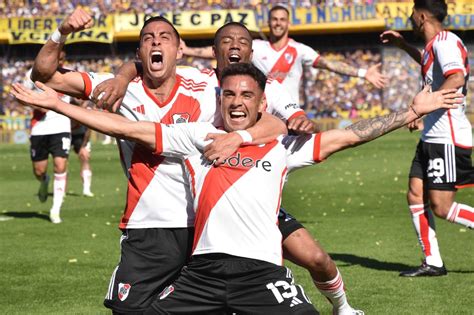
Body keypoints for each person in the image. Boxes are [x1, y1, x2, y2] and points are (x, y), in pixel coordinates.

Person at [12, 63, 461, 314]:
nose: (238, 102)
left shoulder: (283, 146)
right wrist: (60, 104)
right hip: (200, 277)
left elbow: (347, 135)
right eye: (229, 95)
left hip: (262, 276)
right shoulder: (194, 138)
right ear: (219, 100)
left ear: (261, 103)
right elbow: (131, 128)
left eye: (247, 96)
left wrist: (407, 113)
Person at [30, 9, 285, 313]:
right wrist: (63, 31)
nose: (156, 43)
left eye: (165, 38)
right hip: (148, 225)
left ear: (179, 51)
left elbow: (272, 122)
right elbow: (44, 76)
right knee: (129, 310)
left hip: (204, 228)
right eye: (148, 39)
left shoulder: (206, 85)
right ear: (140, 53)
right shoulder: (117, 89)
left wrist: (240, 138)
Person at [99, 22, 363, 314]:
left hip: (255, 187)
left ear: (251, 50)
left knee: (315, 257)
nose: (234, 47)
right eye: (226, 41)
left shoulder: (266, 85)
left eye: (241, 42)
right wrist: (122, 78)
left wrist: (242, 136)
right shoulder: (200, 82)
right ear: (215, 50)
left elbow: (285, 122)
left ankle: (343, 307)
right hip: (204, 196)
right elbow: (146, 63)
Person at [381, 0, 473, 277]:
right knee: (415, 194)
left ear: (421, 16)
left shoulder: (444, 42)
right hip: (433, 136)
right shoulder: (435, 45)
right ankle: (432, 261)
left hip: (447, 136)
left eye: (412, 13)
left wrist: (427, 105)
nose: (410, 18)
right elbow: (430, 66)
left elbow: (456, 77)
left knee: (442, 207)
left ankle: (433, 261)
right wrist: (404, 47)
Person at [180, 5, 388, 106]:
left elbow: (327, 64)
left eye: (282, 19)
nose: (278, 23)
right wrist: (188, 50)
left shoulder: (299, 49)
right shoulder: (257, 47)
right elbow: (221, 52)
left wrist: (362, 72)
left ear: (288, 23)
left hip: (288, 110)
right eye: (274, 19)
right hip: (260, 109)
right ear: (269, 23)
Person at [25, 51, 71, 224]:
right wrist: (36, 103)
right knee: (39, 171)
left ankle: (55, 209)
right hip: (40, 128)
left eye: (60, 59)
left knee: (60, 165)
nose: (58, 62)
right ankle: (44, 181)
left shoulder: (69, 74)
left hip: (61, 126)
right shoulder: (32, 74)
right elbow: (21, 96)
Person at [70, 99, 94, 197]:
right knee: (61, 161)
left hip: (80, 135)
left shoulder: (88, 108)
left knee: (84, 157)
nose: (79, 99)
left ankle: (86, 189)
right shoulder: (67, 102)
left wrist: (83, 146)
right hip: (65, 133)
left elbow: (89, 129)